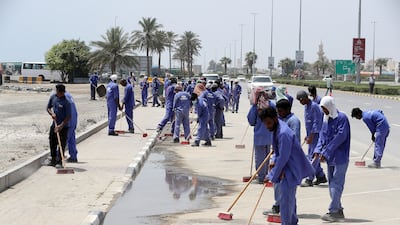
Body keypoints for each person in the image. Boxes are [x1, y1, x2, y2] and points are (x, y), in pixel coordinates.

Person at [259, 107, 314, 225]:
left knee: (286, 204)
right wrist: (274, 161)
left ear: (275, 118)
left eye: (268, 123)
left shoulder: (284, 133)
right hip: (285, 168)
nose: (267, 126)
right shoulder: (277, 128)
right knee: (290, 202)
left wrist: (271, 175)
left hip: (290, 170)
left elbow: (283, 157)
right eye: (265, 124)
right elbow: (278, 152)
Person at [314, 96, 351, 222]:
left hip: (340, 158)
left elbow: (340, 137)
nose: (323, 111)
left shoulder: (342, 119)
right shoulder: (326, 119)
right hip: (330, 158)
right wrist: (318, 151)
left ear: (330, 106)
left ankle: (333, 211)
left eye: (324, 108)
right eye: (322, 109)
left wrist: (326, 152)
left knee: (337, 185)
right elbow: (322, 136)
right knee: (331, 185)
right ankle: (338, 209)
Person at [296, 90, 327, 187]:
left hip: (317, 136)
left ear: (305, 98)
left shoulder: (314, 107)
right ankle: (321, 176)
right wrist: (307, 135)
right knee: (311, 157)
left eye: (301, 100)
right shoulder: (306, 107)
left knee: (314, 157)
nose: (300, 103)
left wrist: (311, 136)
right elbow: (308, 123)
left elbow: (316, 124)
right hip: (311, 136)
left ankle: (309, 178)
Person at [247, 87, 275, 184]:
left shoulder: (256, 107)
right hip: (270, 135)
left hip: (259, 136)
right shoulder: (271, 105)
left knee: (260, 158)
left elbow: (251, 121)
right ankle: (267, 175)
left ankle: (261, 176)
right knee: (267, 157)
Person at [46, 84, 71, 167]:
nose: (56, 92)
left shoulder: (66, 102)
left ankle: (60, 161)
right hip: (54, 125)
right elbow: (48, 108)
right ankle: (53, 160)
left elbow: (68, 116)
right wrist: (52, 113)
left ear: (62, 92)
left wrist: (61, 126)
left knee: (61, 145)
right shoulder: (53, 97)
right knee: (52, 142)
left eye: (57, 91)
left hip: (63, 127)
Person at [65, 91, 78, 163]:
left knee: (64, 139)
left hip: (68, 122)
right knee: (71, 139)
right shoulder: (68, 95)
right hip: (74, 119)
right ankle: (73, 156)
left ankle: (57, 157)